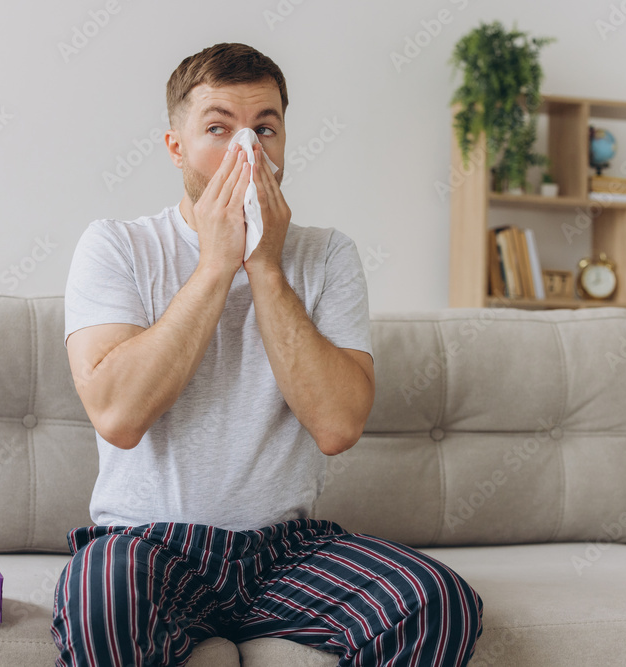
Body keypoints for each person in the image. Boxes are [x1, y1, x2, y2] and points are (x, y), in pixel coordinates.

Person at [53, 42, 483, 667]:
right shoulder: (117, 246)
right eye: (218, 129)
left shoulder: (328, 254)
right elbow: (118, 416)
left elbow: (338, 426)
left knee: (436, 600)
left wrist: (266, 268)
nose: (247, 150)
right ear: (176, 147)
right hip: (148, 545)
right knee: (100, 600)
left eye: (265, 129)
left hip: (285, 552)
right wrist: (215, 264)